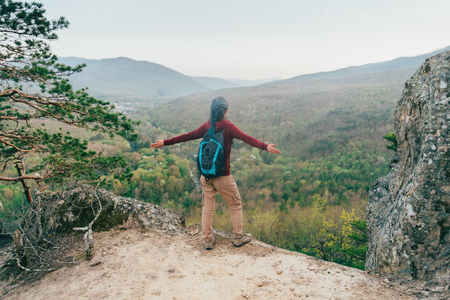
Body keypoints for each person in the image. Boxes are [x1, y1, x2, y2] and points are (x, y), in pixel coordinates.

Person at [151, 96, 281, 250]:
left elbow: (188, 136)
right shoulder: (229, 127)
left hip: (205, 175)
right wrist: (265, 147)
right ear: (226, 111)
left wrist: (165, 142)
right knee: (235, 205)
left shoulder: (208, 125)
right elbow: (247, 138)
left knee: (207, 208)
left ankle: (207, 239)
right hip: (222, 176)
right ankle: (238, 237)